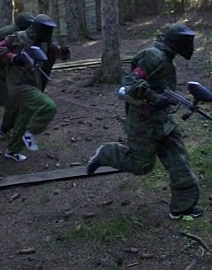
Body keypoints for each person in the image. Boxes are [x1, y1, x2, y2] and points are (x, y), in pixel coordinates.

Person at [86, 23, 203, 220]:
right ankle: (107, 153)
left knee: (180, 163)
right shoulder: (153, 56)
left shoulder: (166, 57)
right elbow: (131, 82)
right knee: (142, 165)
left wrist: (165, 100)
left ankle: (182, 208)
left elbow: (159, 86)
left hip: (163, 121)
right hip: (143, 121)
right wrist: (155, 98)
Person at [0, 14, 58, 162]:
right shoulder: (17, 37)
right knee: (48, 106)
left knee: (24, 118)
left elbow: (53, 50)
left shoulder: (45, 41)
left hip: (33, 82)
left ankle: (12, 151)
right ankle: (30, 133)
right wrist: (12, 57)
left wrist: (61, 51)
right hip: (18, 85)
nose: (49, 35)